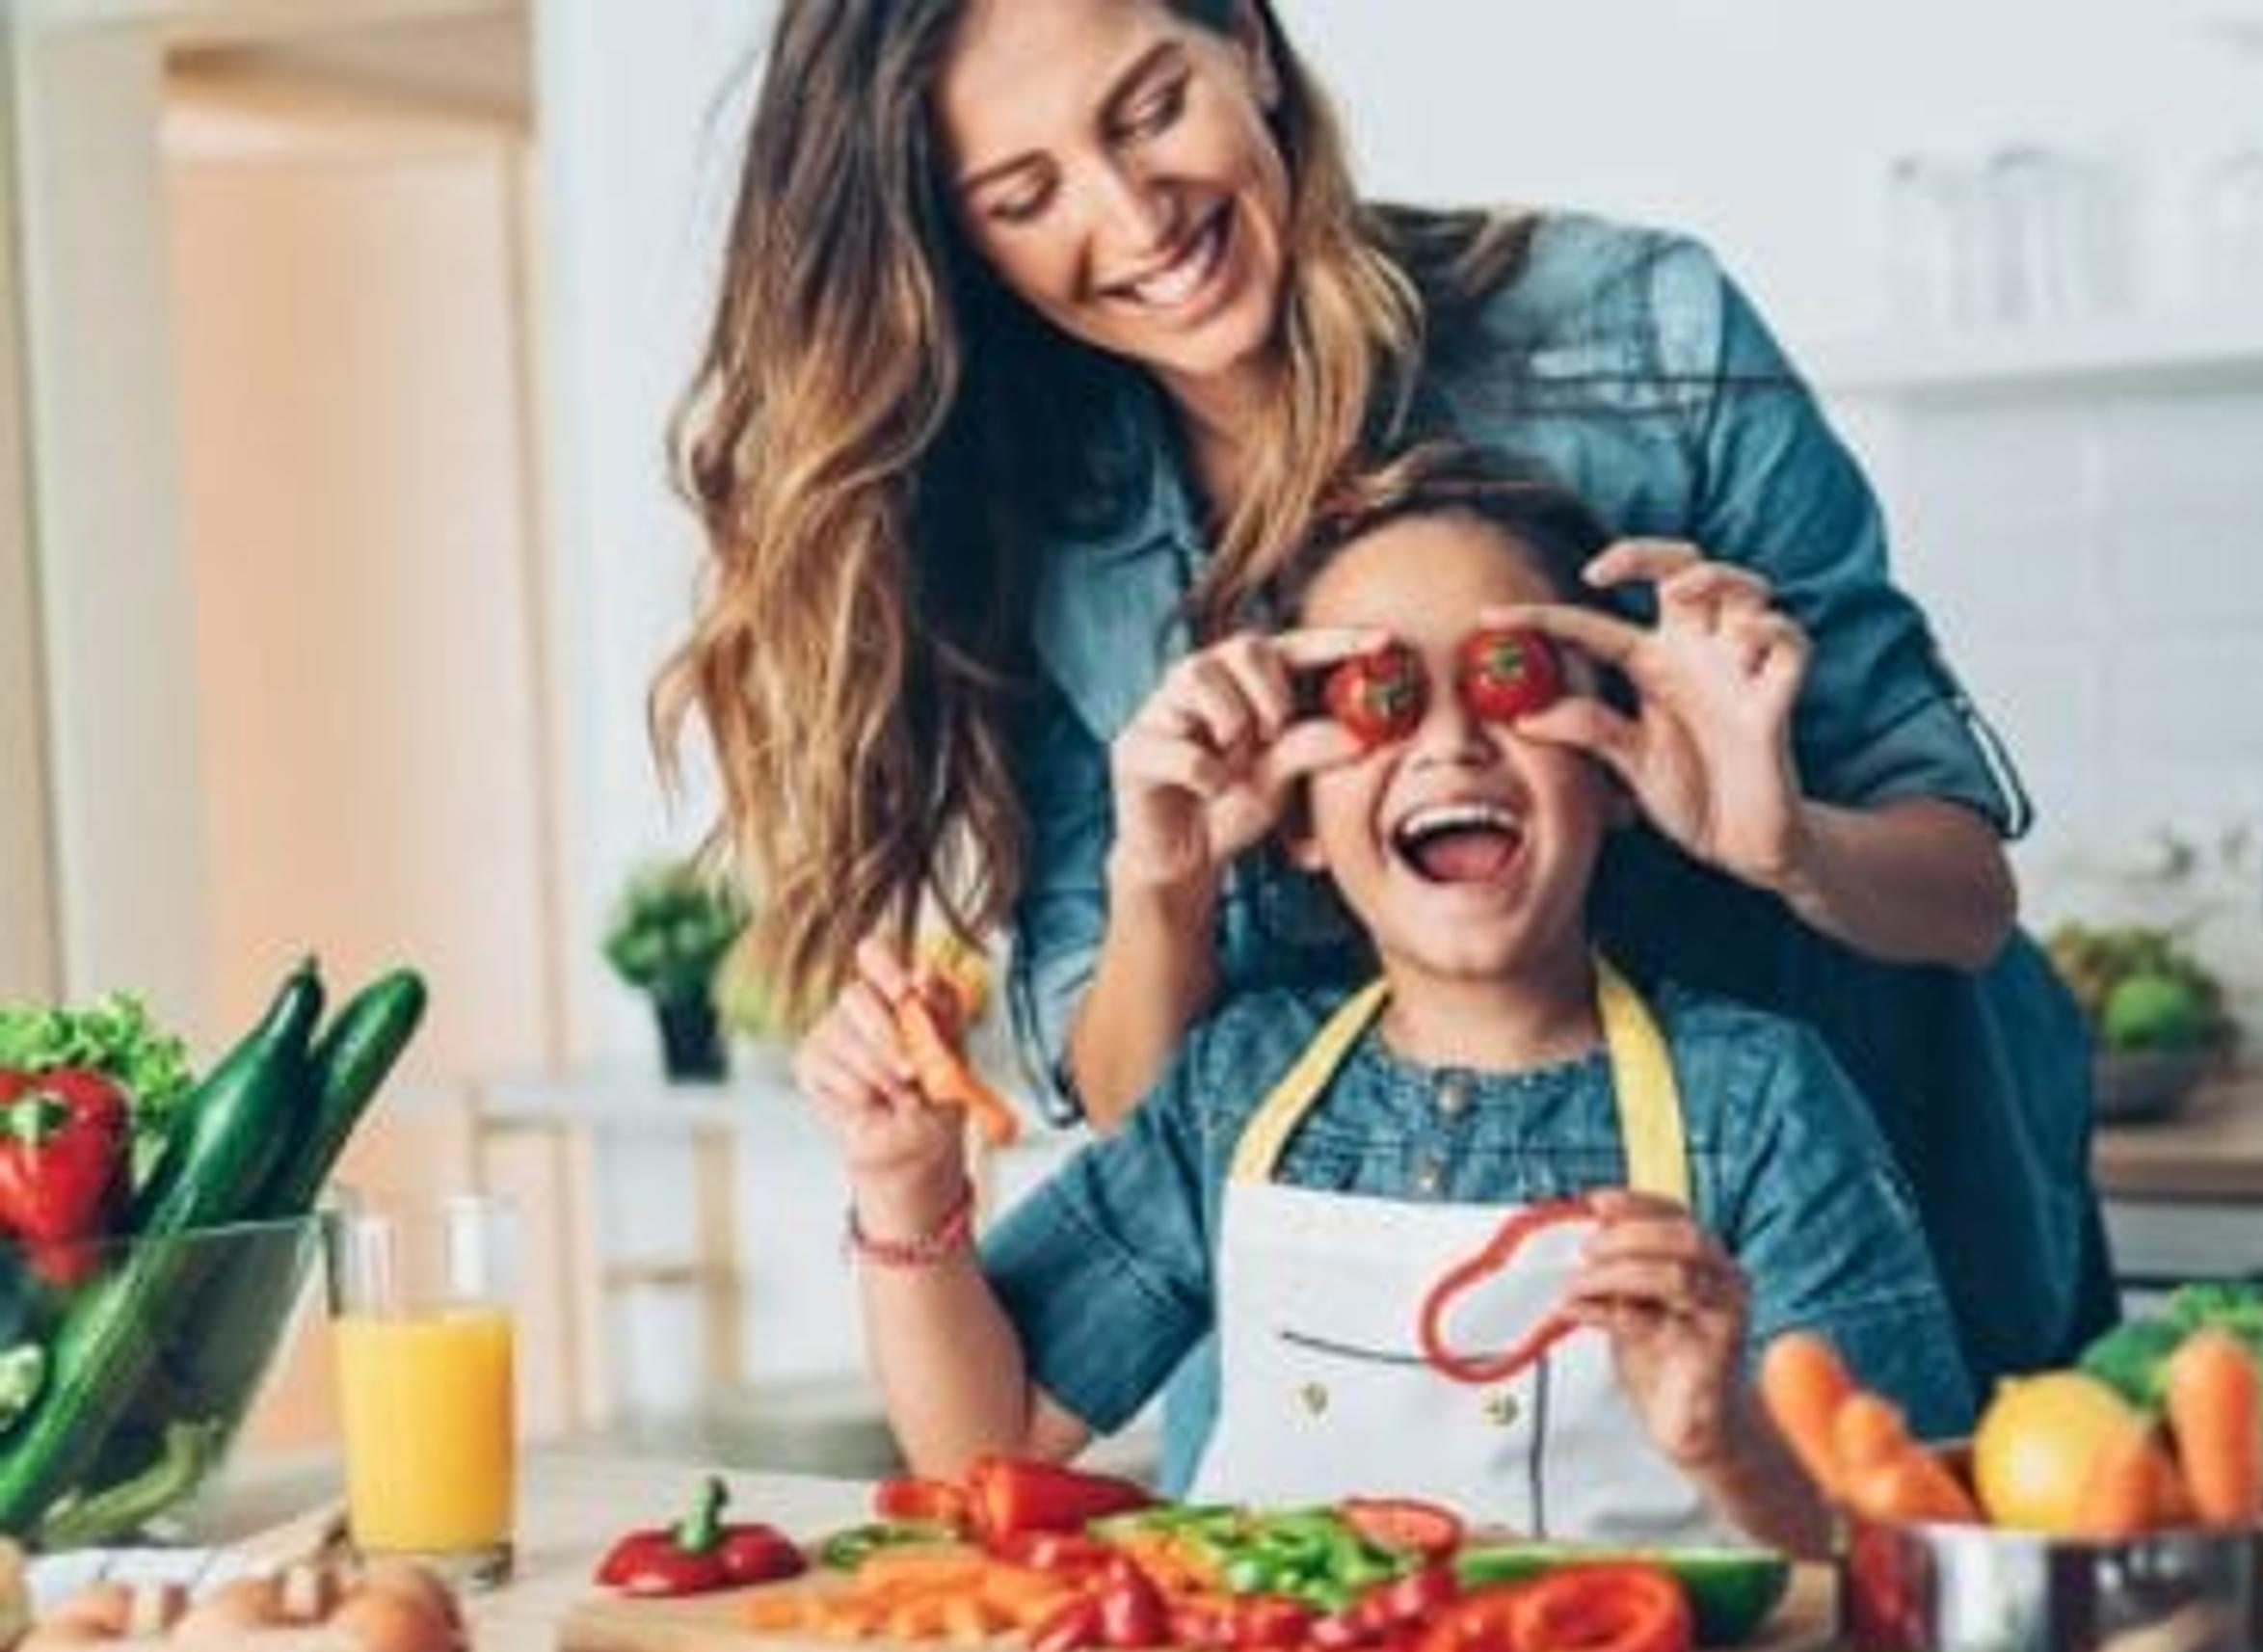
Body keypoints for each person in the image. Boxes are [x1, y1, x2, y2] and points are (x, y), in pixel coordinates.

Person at [655, 0, 2110, 1422]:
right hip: (1354, 1352)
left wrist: (1788, 842)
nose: (1135, 213)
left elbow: (1965, 895)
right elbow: (1145, 1121)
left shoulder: (1635, 332)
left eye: (1153, 107)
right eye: (1025, 193)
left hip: (1828, 1289)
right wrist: (1162, 883)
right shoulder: (1029, 515)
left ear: (1249, 44)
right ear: (959, 241)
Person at [799, 455, 1974, 1552]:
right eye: (1380, 697)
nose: (1452, 743)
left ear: (1615, 765)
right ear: (1300, 818)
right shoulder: (1236, 1083)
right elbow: (982, 1447)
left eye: (1509, 685)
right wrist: (904, 1181)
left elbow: (1906, 1543)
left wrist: (1727, 1440)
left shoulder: (1762, 1099)